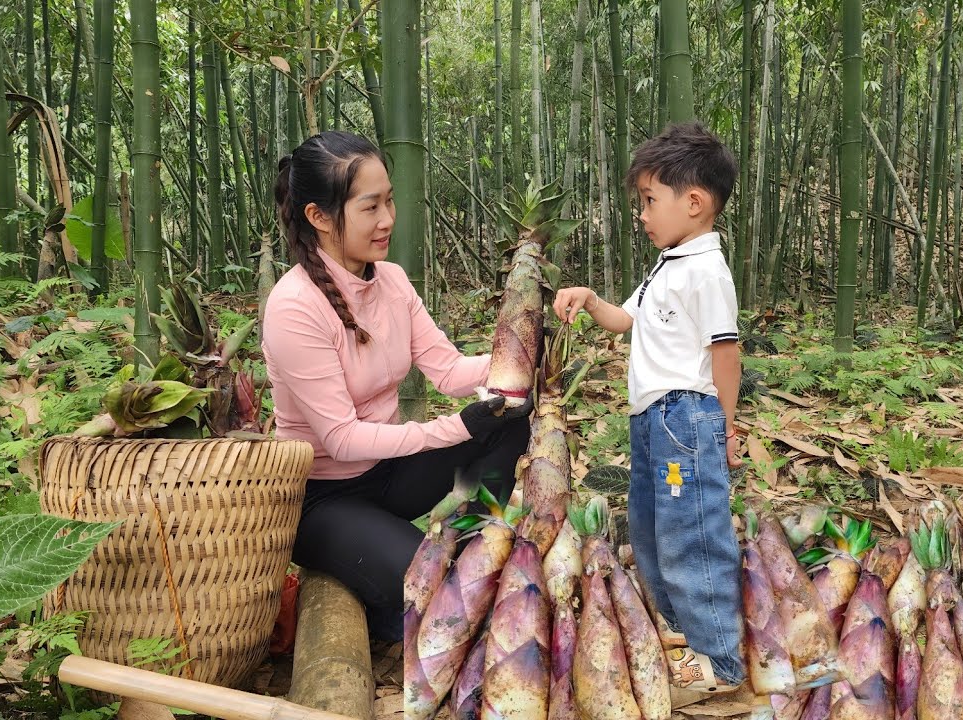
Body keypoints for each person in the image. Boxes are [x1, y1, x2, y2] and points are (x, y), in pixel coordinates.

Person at [262, 131, 532, 642]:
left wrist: (518, 355)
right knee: (424, 579)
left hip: (388, 476)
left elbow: (448, 370)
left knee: (510, 419)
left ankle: (474, 543)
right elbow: (341, 439)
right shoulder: (293, 306)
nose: (387, 219)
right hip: (323, 498)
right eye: (370, 207)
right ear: (319, 217)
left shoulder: (392, 281)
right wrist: (451, 428)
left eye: (389, 201)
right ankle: (397, 592)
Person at [554, 121, 746, 693]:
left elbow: (727, 354)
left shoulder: (707, 272)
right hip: (653, 425)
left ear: (694, 203)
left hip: (685, 421)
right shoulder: (669, 266)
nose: (641, 215)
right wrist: (588, 299)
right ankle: (685, 638)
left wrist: (723, 427)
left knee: (691, 535)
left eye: (648, 201)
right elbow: (624, 320)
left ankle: (722, 661)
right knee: (650, 532)